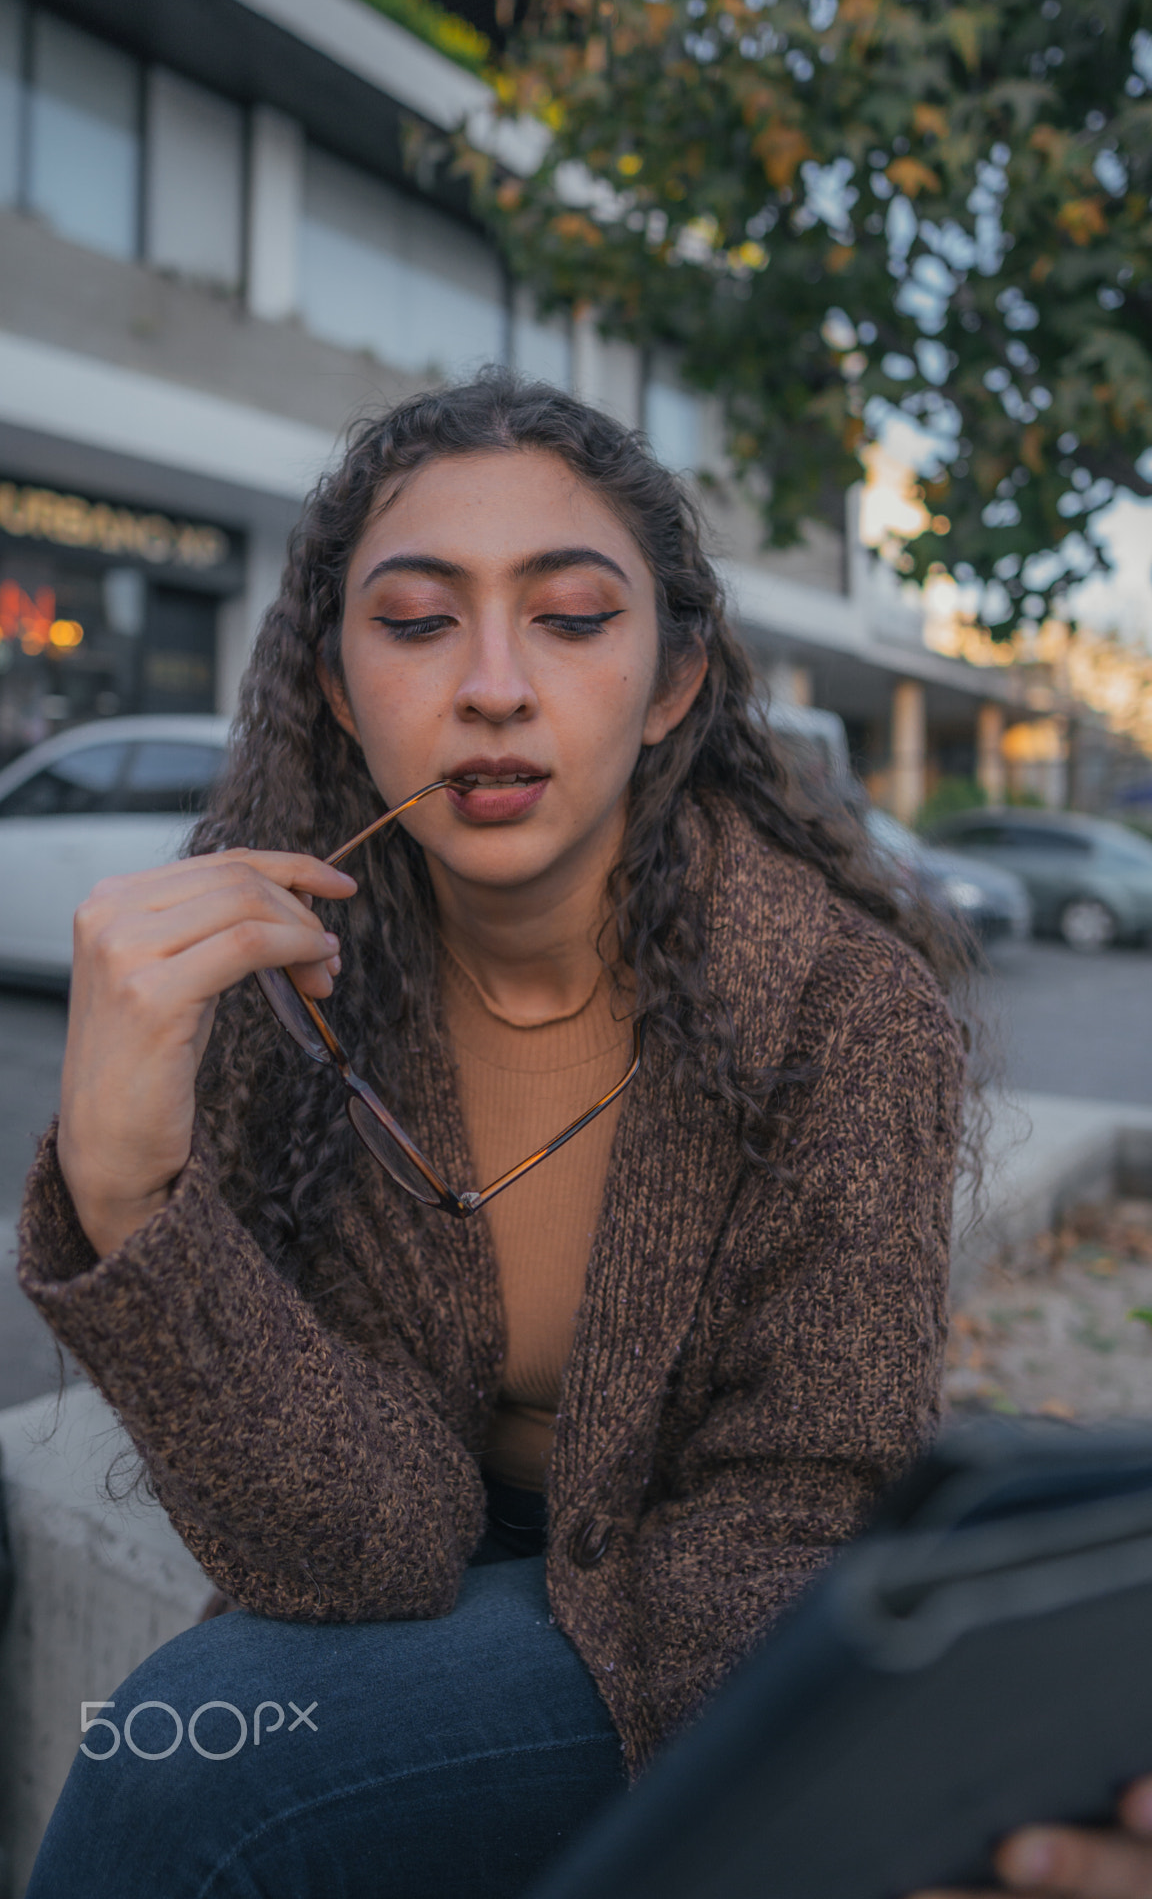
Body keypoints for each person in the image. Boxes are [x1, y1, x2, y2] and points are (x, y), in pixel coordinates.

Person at [20, 372, 966, 1898]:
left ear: (671, 684)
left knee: (185, 1763)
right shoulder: (284, 993)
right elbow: (362, 1547)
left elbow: (791, 1523)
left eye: (574, 617)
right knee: (171, 1748)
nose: (494, 687)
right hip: (419, 1579)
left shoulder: (841, 1012)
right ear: (334, 684)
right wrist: (128, 1190)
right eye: (414, 623)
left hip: (712, 1619)